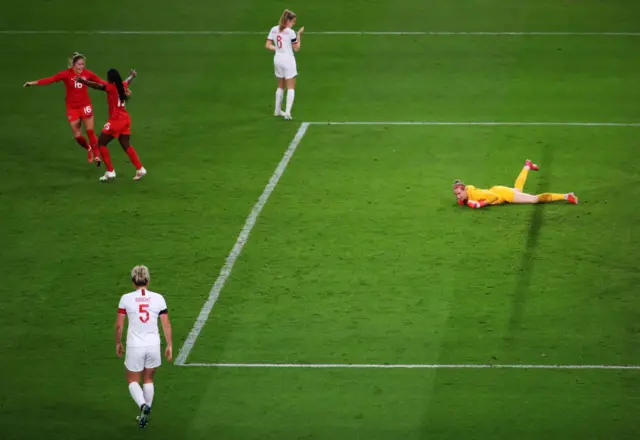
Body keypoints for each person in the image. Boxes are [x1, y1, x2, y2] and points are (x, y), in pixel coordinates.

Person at [115, 265, 172, 428]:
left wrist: (118, 343)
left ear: (133, 281)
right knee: (148, 379)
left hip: (135, 345)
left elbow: (119, 325)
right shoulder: (158, 298)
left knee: (133, 380)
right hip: (153, 344)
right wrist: (169, 345)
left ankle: (142, 405)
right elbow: (166, 324)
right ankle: (144, 417)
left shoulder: (126, 298)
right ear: (148, 280)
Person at [23, 52, 103, 165]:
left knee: (90, 131)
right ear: (73, 64)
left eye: (83, 64)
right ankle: (89, 148)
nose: (81, 67)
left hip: (85, 106)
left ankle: (97, 156)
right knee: (78, 136)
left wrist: (119, 87)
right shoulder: (66, 74)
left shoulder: (87, 73)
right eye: (79, 64)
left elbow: (101, 82)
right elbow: (50, 79)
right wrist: (32, 83)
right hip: (72, 108)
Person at [76, 69, 147, 181]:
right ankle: (140, 169)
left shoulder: (111, 88)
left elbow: (97, 86)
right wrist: (132, 76)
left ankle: (110, 171)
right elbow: (127, 81)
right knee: (125, 144)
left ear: (111, 78)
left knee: (101, 142)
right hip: (125, 118)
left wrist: (83, 81)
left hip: (116, 120)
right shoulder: (122, 85)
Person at [453, 159, 579, 208]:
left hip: (502, 194)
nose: (458, 197)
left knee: (534, 199)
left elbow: (493, 198)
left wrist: (481, 204)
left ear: (464, 190)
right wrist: (464, 201)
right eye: (456, 195)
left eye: (459, 193)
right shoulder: (468, 192)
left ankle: (567, 196)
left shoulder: (474, 193)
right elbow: (466, 195)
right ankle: (527, 166)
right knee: (518, 189)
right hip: (498, 189)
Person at [265, 9, 304, 120]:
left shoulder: (273, 29)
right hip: (288, 60)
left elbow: (268, 45)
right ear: (288, 20)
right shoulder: (290, 32)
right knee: (291, 87)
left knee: (280, 85)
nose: (294, 23)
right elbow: (297, 48)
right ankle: (287, 113)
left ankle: (277, 110)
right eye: (293, 21)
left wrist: (277, 48)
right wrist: (299, 35)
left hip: (277, 59)